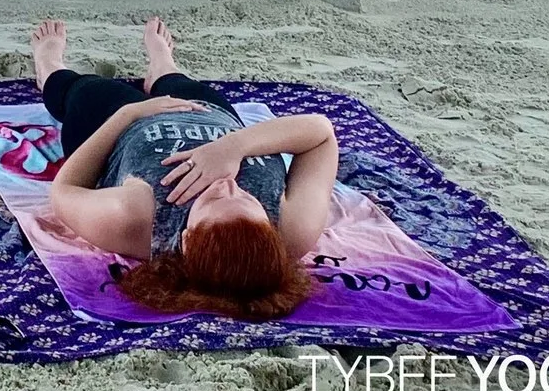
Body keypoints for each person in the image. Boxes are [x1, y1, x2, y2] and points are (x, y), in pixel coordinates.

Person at [32, 16, 339, 320]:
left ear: (188, 239)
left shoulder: (137, 218)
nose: (227, 183)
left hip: (125, 127)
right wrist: (231, 147)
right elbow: (320, 134)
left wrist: (127, 115)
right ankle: (163, 66)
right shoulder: (293, 229)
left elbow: (64, 191)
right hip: (212, 115)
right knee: (178, 83)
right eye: (248, 199)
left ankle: (49, 65)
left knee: (82, 90)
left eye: (214, 200)